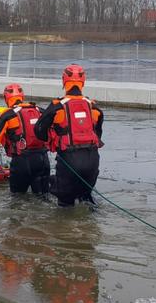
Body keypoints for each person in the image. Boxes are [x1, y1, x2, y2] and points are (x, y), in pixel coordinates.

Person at [34, 64, 104, 207]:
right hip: (92, 161)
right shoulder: (94, 108)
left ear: (64, 81)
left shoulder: (57, 106)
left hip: (69, 161)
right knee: (86, 200)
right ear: (83, 82)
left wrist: (52, 140)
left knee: (65, 206)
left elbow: (39, 130)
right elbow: (98, 135)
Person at [0, 83, 50, 195]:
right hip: (43, 159)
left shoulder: (8, 114)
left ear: (6, 98)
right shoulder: (39, 110)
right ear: (22, 97)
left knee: (17, 199)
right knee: (42, 197)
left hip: (21, 162)